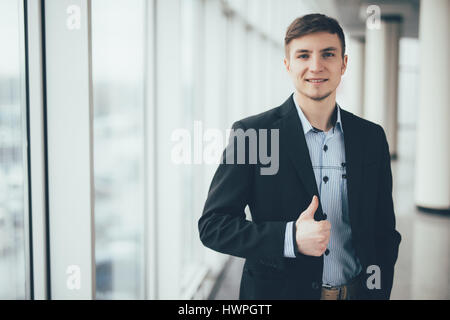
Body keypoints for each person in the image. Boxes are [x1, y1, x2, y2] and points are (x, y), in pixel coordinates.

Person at [198, 13, 401, 300]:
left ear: (343, 64)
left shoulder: (371, 138)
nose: (315, 66)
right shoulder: (253, 134)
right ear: (288, 65)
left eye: (328, 54)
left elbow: (383, 231)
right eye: (303, 55)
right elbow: (213, 226)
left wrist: (377, 291)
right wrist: (289, 238)